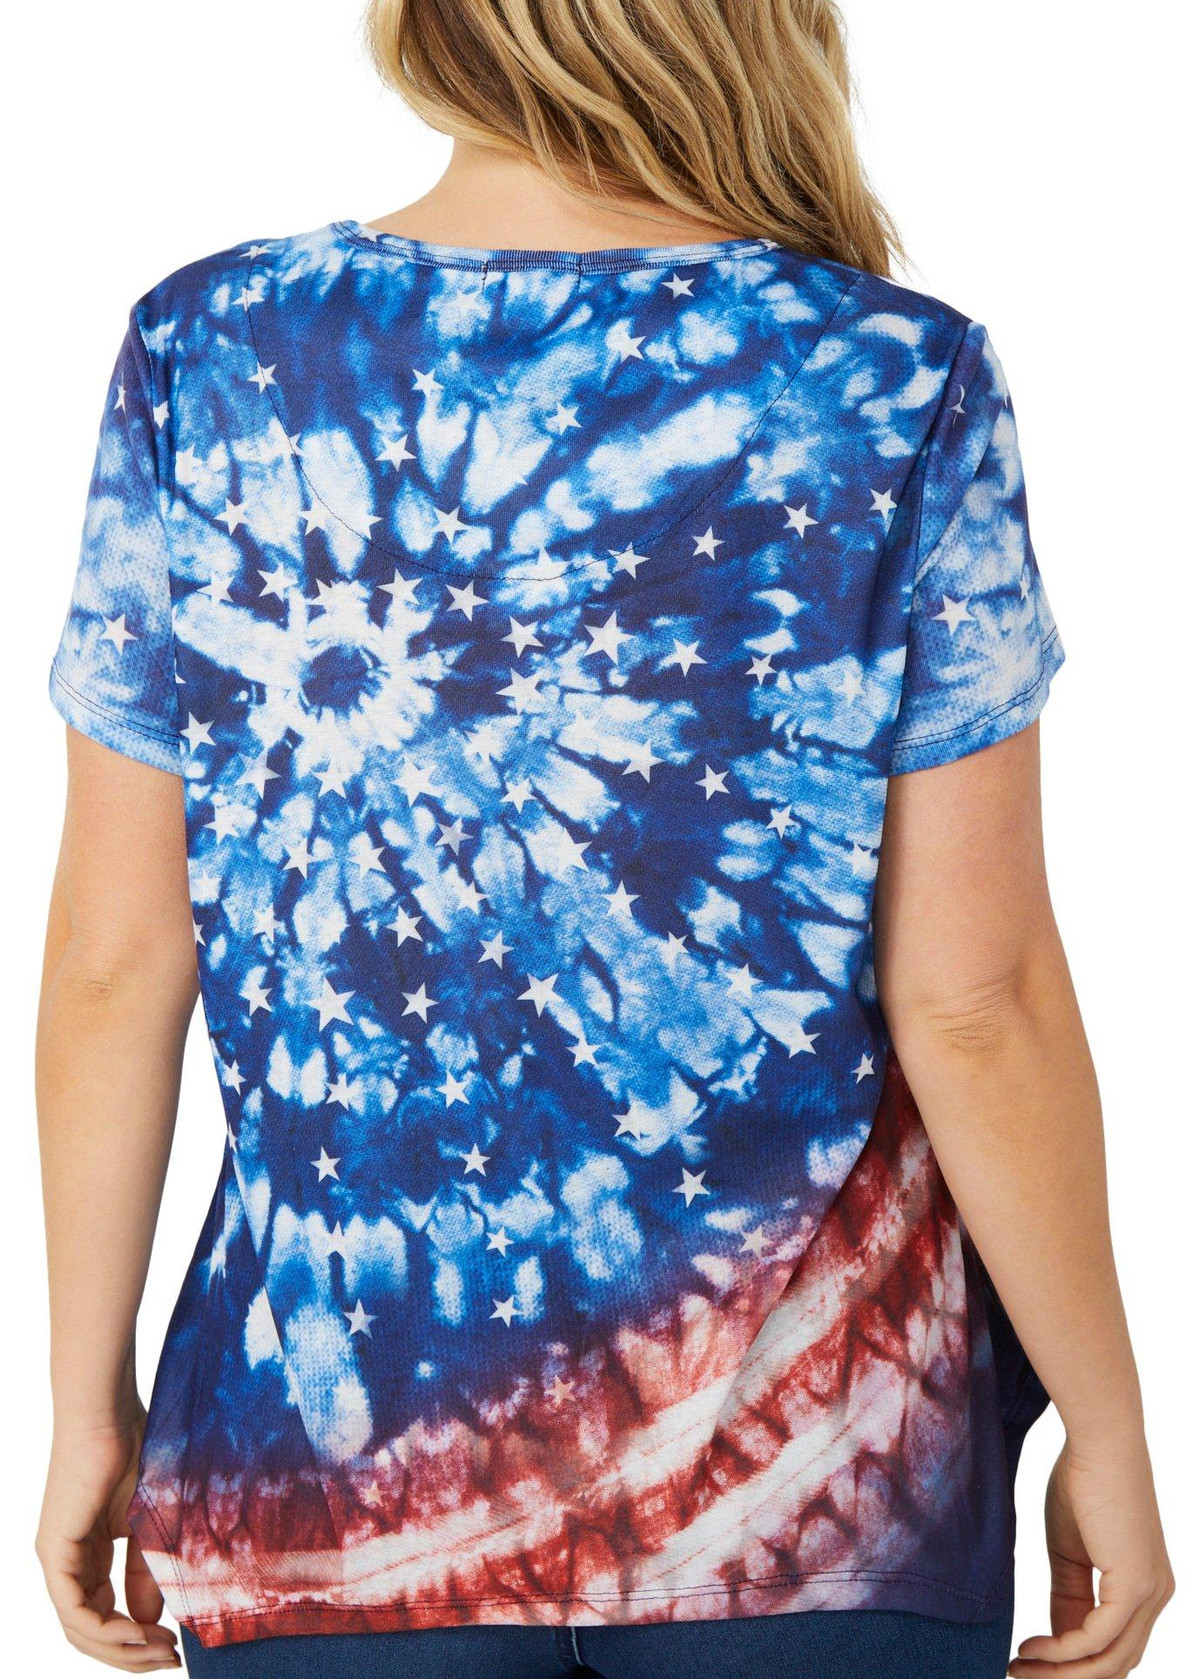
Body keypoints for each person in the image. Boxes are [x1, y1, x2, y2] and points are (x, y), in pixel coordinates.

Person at [33, 2, 1173, 1676]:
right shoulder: (890, 376)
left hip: (325, 1497)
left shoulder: (207, 353)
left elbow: (115, 962)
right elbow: (974, 997)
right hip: (824, 1490)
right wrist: (1111, 1423)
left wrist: (85, 1402)